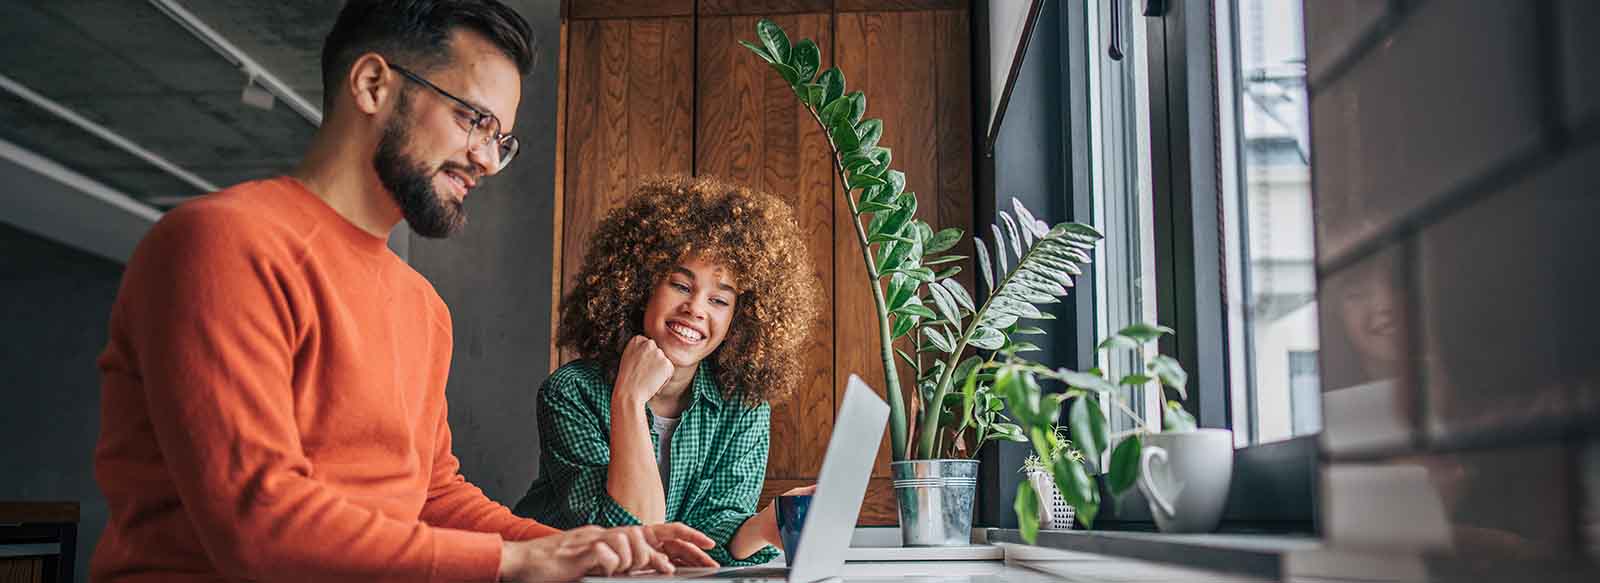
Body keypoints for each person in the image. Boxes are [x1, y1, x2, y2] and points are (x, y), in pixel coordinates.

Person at [90, 2, 714, 581]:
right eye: (474, 119)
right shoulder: (222, 242)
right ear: (371, 85)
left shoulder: (423, 307)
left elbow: (434, 496)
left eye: (502, 140)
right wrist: (514, 560)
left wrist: (593, 552)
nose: (486, 160)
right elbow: (257, 523)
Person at [514, 176, 823, 566]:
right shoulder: (571, 393)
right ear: (640, 286)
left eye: (719, 300)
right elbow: (624, 533)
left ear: (738, 319)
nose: (696, 309)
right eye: (680, 285)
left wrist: (765, 527)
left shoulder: (742, 407)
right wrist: (629, 398)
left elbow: (709, 532)